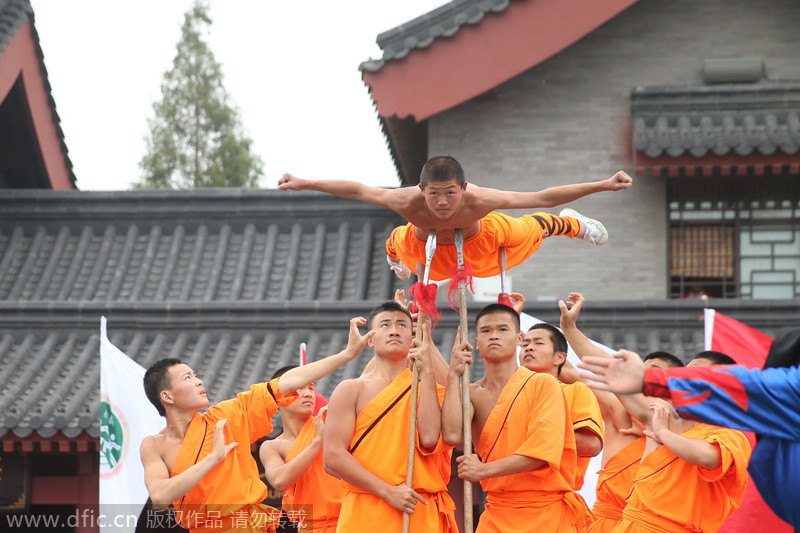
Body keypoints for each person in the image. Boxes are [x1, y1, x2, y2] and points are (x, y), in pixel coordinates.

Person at [140, 317, 372, 533]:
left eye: (195, 375)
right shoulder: (153, 445)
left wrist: (346, 354)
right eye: (188, 378)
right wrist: (213, 459)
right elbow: (160, 495)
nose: (199, 381)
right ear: (167, 396)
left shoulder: (226, 416)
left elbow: (284, 383)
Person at [577, 332, 800, 531]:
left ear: (719, 381)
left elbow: (707, 456)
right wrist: (571, 331)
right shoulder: (664, 419)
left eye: (695, 376)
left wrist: (664, 434)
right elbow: (614, 380)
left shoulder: (730, 436)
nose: (685, 381)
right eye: (684, 376)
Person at [279, 156, 632, 281]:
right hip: (424, 248)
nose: (442, 202)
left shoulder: (481, 199)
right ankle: (394, 259)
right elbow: (357, 190)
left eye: (450, 193)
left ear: (463, 188)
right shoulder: (406, 200)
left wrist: (603, 185)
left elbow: (541, 197)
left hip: (483, 239)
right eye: (434, 194)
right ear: (421, 189)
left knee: (532, 226)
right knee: (398, 241)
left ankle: (574, 224)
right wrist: (304, 182)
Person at [443, 303, 588, 532]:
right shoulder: (470, 393)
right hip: (497, 512)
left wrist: (484, 470)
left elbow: (543, 452)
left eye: (502, 329)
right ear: (477, 343)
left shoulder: (542, 383)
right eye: (486, 331)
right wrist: (453, 374)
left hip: (544, 513)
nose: (494, 336)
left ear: (519, 338)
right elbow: (452, 435)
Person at [323, 301, 457, 532]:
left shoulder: (427, 387)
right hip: (366, 509)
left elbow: (430, 438)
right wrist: (387, 491)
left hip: (418, 507)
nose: (394, 331)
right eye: (385, 325)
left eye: (402, 325)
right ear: (370, 339)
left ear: (412, 335)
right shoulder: (351, 390)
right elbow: (333, 457)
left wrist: (427, 359)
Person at [259, 366, 344, 532]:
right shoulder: (272, 446)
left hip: (350, 520)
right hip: (312, 527)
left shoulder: (330, 424)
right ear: (278, 397)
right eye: (299, 388)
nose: (308, 394)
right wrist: (317, 442)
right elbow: (280, 481)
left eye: (311, 388)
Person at [520, 322, 604, 491]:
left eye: (538, 343)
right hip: (505, 497)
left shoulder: (575, 391)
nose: (529, 348)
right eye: (524, 344)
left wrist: (530, 436)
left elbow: (590, 444)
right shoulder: (508, 395)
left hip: (554, 495)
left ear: (559, 358)